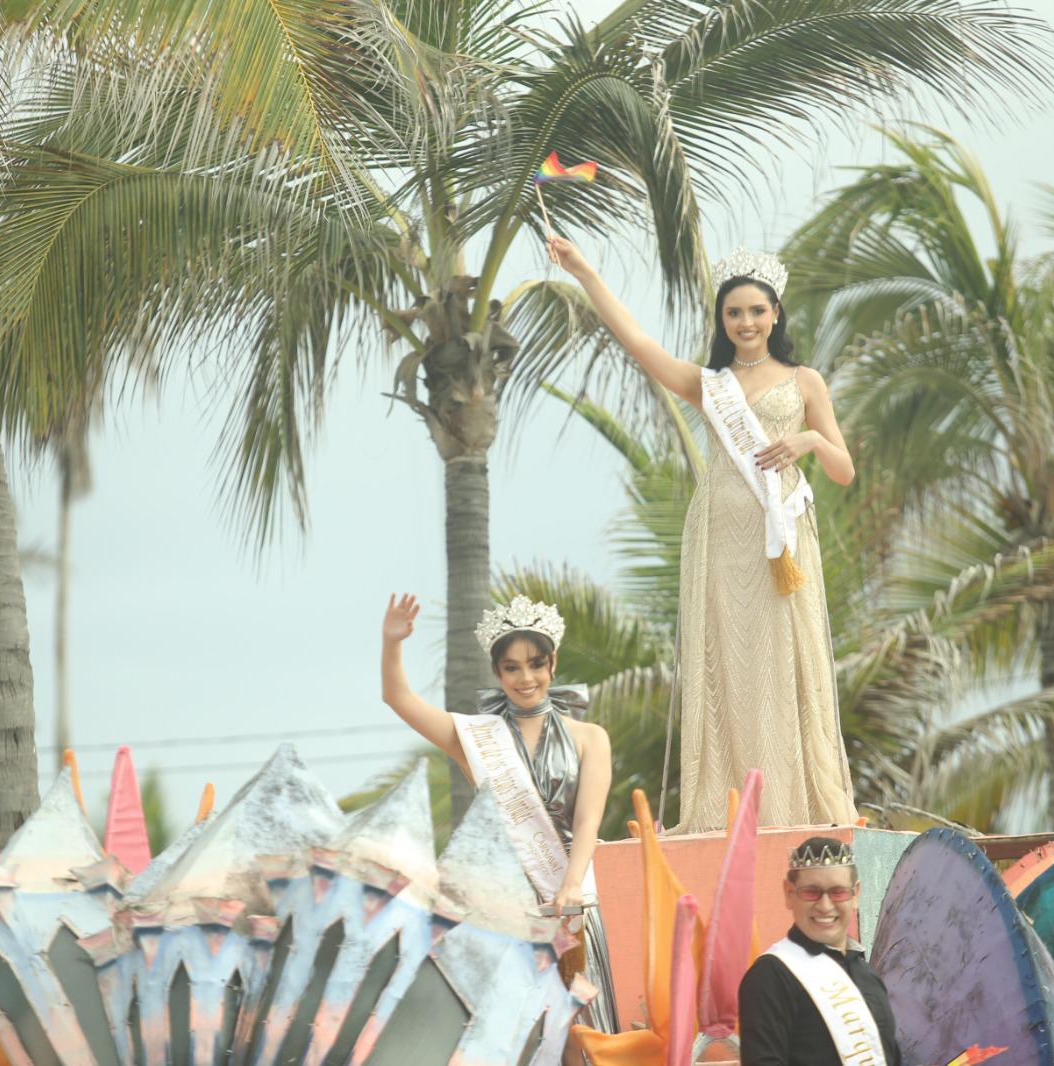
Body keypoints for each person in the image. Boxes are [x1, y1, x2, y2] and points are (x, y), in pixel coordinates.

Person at [548, 235, 856, 831]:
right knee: (727, 663)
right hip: (719, 535)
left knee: (784, 660)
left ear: (776, 315)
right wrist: (585, 270)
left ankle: (796, 805)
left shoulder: (805, 382)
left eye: (757, 311)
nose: (746, 322)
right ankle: (725, 807)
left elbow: (844, 470)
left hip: (781, 539)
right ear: (722, 319)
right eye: (734, 312)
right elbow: (637, 342)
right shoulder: (708, 383)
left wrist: (809, 441)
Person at [380, 592, 618, 1036]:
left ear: (552, 663)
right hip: (510, 905)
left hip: (575, 894)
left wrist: (569, 884)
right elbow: (397, 698)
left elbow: (588, 819)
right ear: (497, 673)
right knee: (523, 1033)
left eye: (535, 664)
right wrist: (392, 642)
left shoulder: (590, 737)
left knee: (589, 1030)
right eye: (512, 667)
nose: (525, 677)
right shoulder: (475, 736)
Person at [739, 837, 901, 1065]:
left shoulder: (869, 976)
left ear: (856, 894)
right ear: (789, 893)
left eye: (838, 893)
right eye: (811, 892)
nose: (825, 906)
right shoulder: (771, 976)